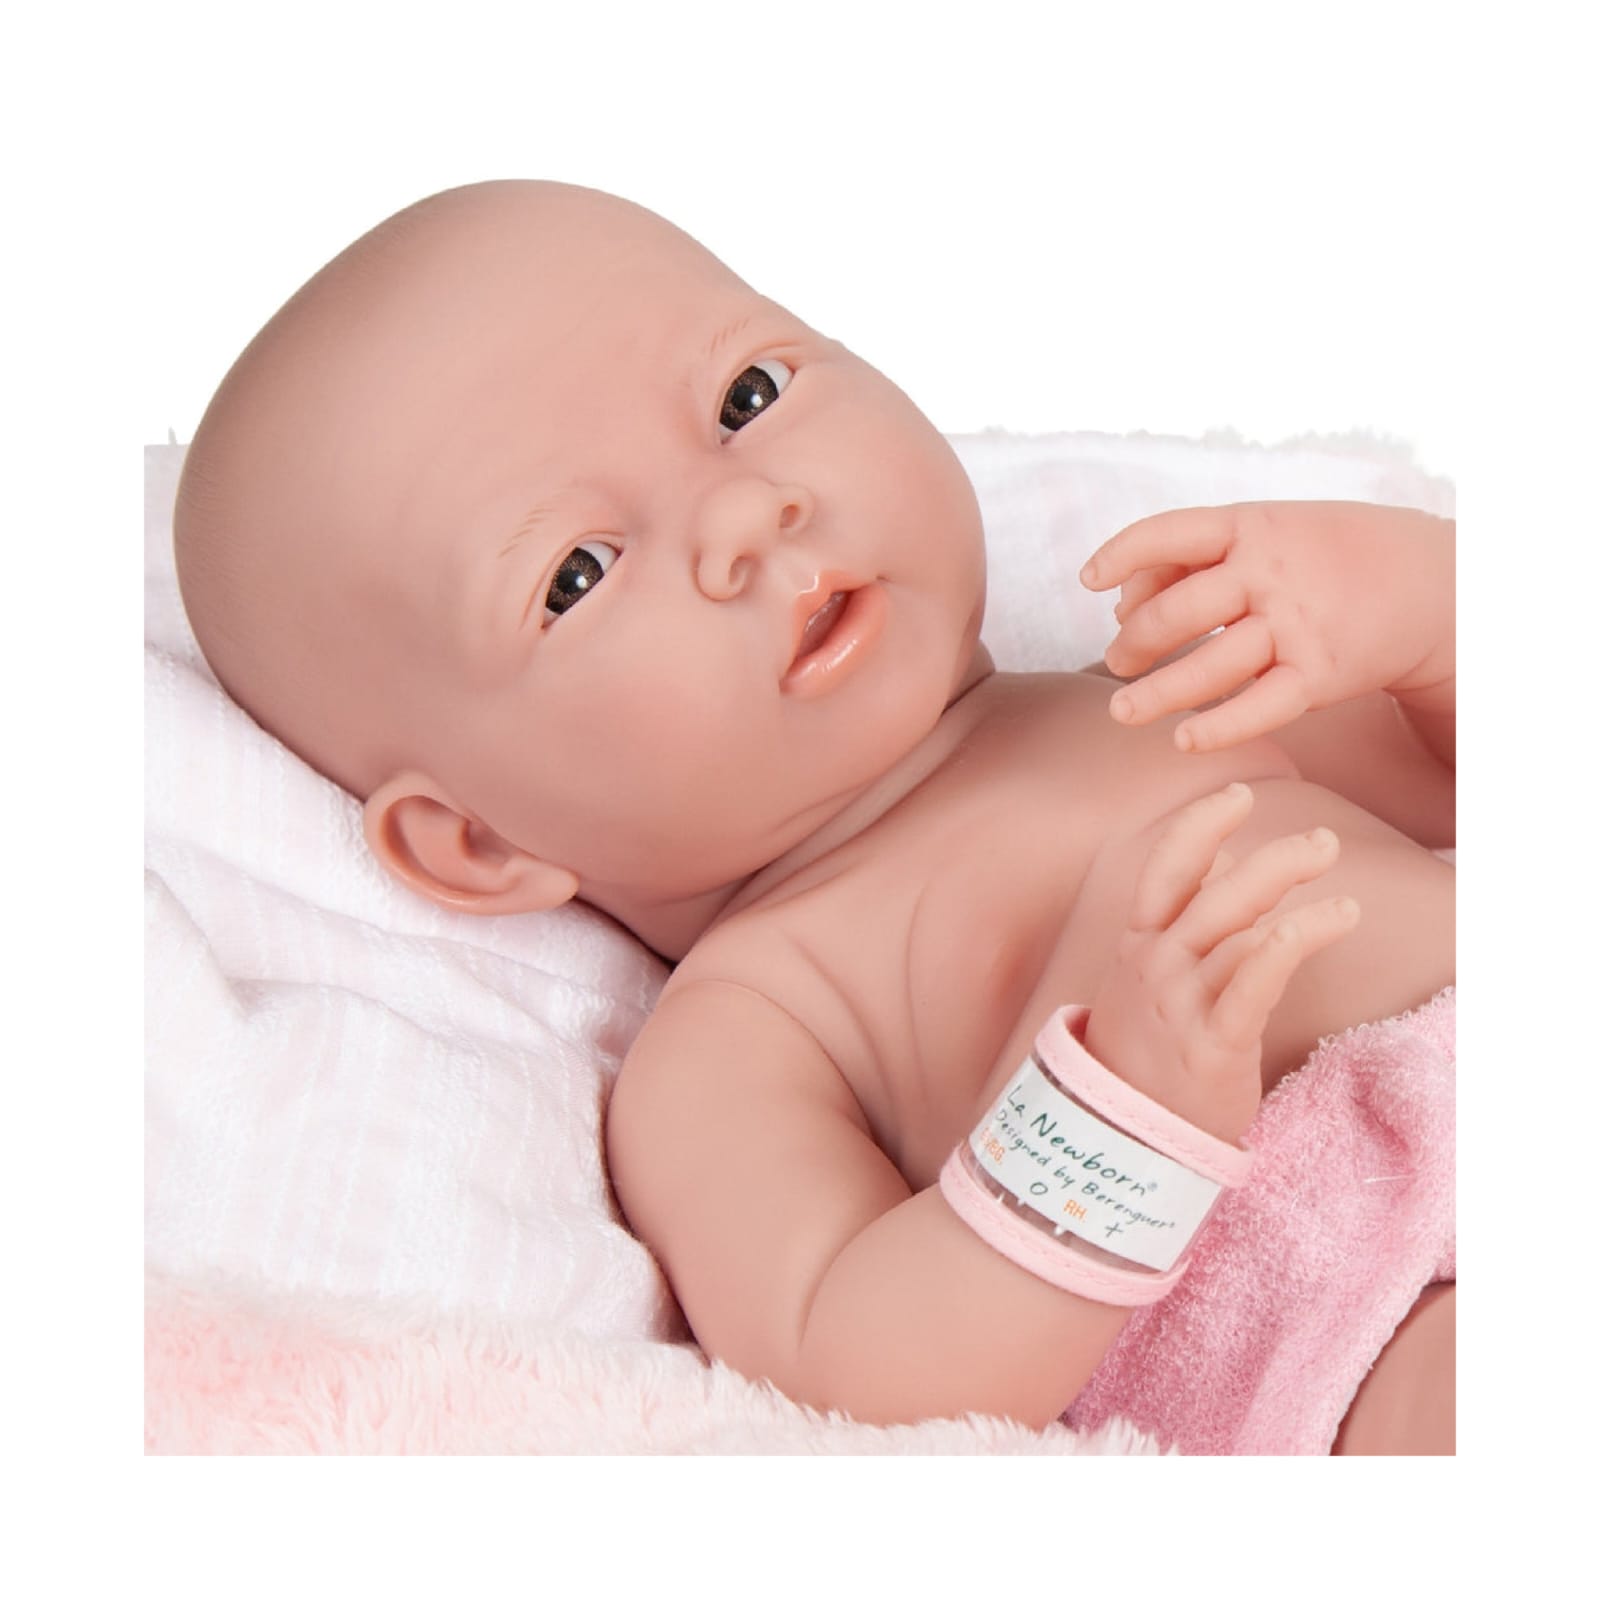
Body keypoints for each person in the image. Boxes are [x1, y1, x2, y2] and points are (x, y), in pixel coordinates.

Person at [172, 179, 1455, 1453]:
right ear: (479, 841)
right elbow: (855, 1372)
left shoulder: (1172, 688)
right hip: (1375, 1308)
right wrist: (1118, 1120)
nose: (745, 511)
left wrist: (1414, 605)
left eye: (747, 398)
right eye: (578, 572)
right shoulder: (748, 1028)